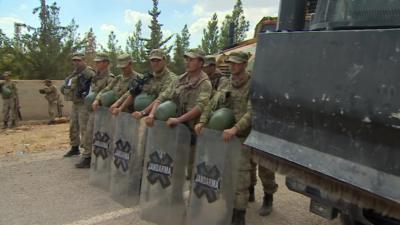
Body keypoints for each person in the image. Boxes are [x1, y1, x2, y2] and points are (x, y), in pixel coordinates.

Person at [194, 51, 252, 225]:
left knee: (240, 179)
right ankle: (229, 211)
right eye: (230, 63)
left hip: (241, 138)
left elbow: (252, 113)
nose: (232, 66)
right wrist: (203, 121)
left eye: (235, 63)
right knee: (226, 177)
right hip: (223, 137)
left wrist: (235, 128)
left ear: (244, 64)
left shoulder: (252, 84)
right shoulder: (225, 82)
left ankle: (239, 218)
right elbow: (212, 103)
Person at [144, 48, 212, 178]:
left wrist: (179, 120)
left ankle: (191, 197)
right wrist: (152, 114)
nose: (187, 62)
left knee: (194, 170)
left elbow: (200, 107)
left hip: (193, 132)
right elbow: (162, 97)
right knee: (175, 166)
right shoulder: (180, 79)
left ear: (201, 63)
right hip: (177, 130)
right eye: (187, 59)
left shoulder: (205, 83)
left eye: (191, 60)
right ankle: (176, 197)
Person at [75, 52, 115, 168]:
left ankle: (91, 157)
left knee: (99, 134)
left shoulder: (110, 78)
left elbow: (110, 94)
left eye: (99, 62)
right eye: (96, 61)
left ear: (106, 63)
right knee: (89, 132)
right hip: (92, 108)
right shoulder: (95, 76)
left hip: (103, 110)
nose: (96, 63)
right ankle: (88, 156)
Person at [111, 49, 176, 117]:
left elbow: (161, 99)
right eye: (153, 61)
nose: (155, 63)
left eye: (158, 60)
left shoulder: (171, 79)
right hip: (144, 116)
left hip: (159, 119)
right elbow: (133, 92)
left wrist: (143, 112)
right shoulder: (148, 77)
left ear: (164, 61)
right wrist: (120, 107)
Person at [62, 53, 95, 157]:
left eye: (79, 60)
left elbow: (94, 83)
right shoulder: (74, 74)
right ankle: (74, 147)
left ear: (84, 61)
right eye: (74, 61)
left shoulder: (89, 72)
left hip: (84, 104)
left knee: (84, 127)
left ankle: (87, 151)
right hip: (75, 103)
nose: (76, 62)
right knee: (73, 126)